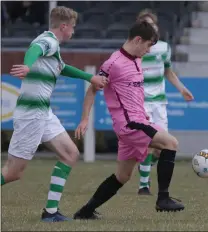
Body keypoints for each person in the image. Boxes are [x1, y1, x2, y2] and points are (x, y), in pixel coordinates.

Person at [1, 6, 107, 222]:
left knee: (70, 154)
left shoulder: (54, 49)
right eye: (73, 28)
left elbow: (62, 67)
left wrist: (90, 78)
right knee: (13, 172)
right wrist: (28, 67)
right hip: (31, 114)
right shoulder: (47, 41)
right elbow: (35, 50)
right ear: (64, 26)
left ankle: (50, 213)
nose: (74, 32)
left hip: (43, 113)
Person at [73, 20, 184, 220]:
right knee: (171, 143)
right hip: (130, 124)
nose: (149, 51)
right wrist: (84, 120)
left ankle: (85, 211)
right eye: (149, 45)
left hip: (137, 122)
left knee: (122, 176)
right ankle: (163, 199)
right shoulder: (113, 63)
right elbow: (92, 90)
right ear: (138, 40)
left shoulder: (136, 60)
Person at [136, 9, 194, 195]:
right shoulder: (135, 49)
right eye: (146, 25)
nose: (151, 28)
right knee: (147, 143)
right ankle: (144, 185)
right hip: (142, 103)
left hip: (160, 104)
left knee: (162, 147)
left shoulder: (164, 48)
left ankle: (144, 165)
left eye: (153, 25)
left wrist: (182, 89)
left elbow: (168, 71)